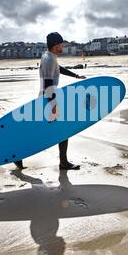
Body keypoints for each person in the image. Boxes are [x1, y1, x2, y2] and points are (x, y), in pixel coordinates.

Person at [14, 32, 86, 171]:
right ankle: (63, 162)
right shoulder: (49, 59)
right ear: (55, 45)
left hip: (46, 98)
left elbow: (59, 70)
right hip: (47, 99)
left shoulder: (50, 57)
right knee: (62, 131)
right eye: (61, 44)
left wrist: (76, 76)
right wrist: (53, 105)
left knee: (43, 131)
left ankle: (19, 154)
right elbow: (48, 84)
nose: (63, 46)